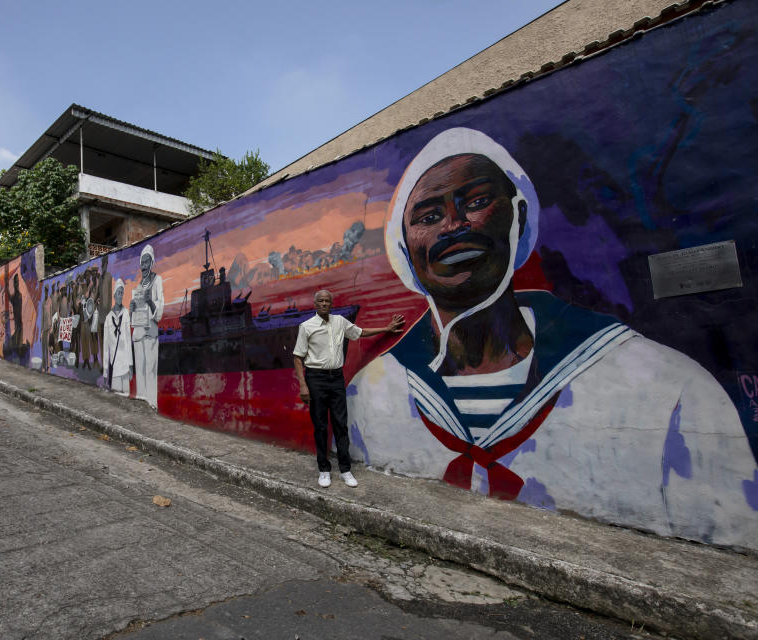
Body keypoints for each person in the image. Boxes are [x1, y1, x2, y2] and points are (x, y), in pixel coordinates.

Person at [349, 127, 758, 548]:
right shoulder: (374, 392)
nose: (454, 226)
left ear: (518, 217)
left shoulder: (668, 388)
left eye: (476, 202)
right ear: (405, 248)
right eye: (429, 216)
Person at [293, 289, 404, 488]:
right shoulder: (306, 326)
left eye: (328, 300)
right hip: (315, 379)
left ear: (331, 303)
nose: (324, 303)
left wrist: (386, 329)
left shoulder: (340, 322)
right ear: (315, 304)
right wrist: (303, 385)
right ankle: (324, 470)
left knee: (340, 425)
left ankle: (345, 470)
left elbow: (360, 332)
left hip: (336, 378)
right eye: (321, 301)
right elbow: (298, 357)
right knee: (320, 426)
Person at [130, 244, 164, 408]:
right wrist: (132, 310)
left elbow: (159, 312)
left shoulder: (157, 281)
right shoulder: (137, 287)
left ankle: (152, 404)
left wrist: (150, 301)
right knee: (141, 371)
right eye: (142, 262)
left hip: (150, 333)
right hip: (138, 334)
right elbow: (134, 318)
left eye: (147, 262)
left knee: (151, 370)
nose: (144, 266)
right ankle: (141, 401)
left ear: (152, 263)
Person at [103, 279, 133, 396]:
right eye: (118, 293)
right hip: (115, 367)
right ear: (114, 295)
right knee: (116, 398)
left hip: (125, 366)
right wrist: (105, 372)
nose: (120, 295)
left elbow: (128, 340)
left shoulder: (126, 314)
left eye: (122, 293)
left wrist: (130, 365)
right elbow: (106, 347)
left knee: (125, 396)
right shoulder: (108, 318)